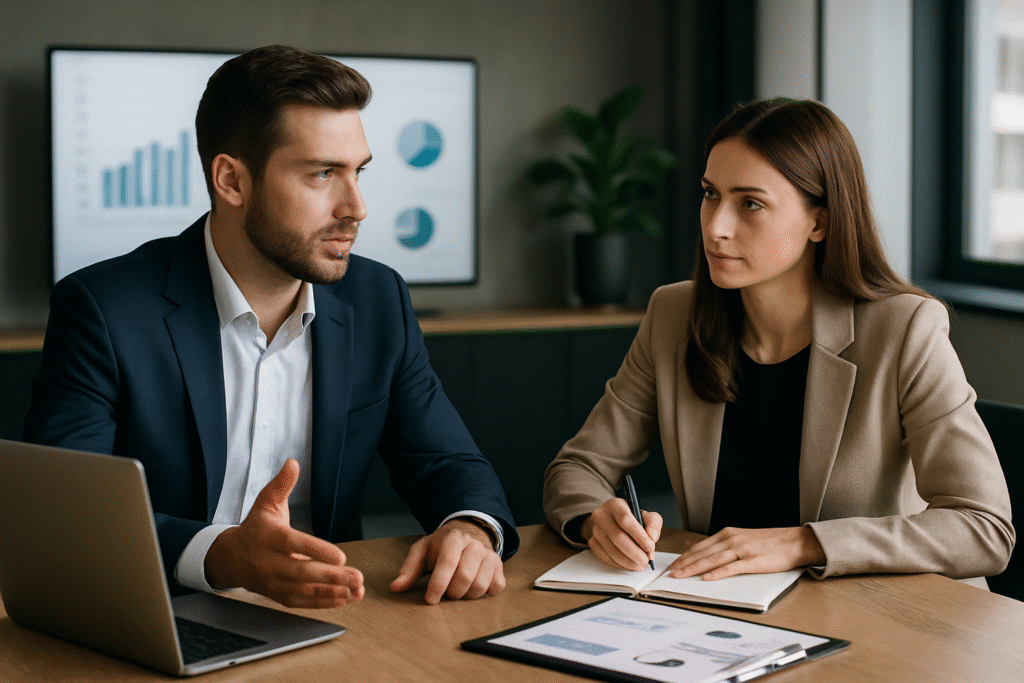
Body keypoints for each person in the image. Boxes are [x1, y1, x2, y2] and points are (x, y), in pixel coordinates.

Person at [24, 45, 518, 609]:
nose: (356, 207)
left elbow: (446, 461)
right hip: (159, 608)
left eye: (358, 172)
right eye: (322, 174)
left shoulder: (378, 299)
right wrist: (219, 554)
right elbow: (67, 515)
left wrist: (470, 528)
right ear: (231, 181)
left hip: (329, 615)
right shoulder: (103, 308)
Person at [543, 98, 1014, 588]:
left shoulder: (904, 329)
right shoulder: (674, 315)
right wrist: (597, 520)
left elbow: (983, 528)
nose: (716, 226)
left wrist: (803, 543)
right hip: (725, 611)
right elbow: (577, 468)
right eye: (709, 194)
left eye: (750, 203)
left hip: (881, 619)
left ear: (820, 222)